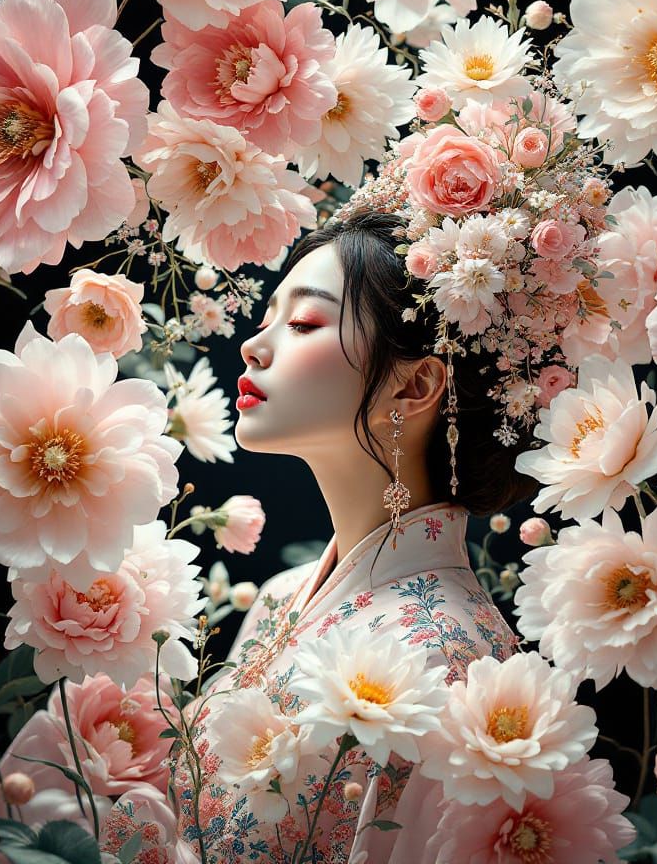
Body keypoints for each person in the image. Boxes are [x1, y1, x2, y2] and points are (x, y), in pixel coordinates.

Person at [172, 209, 538, 862]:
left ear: (416, 382)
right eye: (265, 322)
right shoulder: (282, 598)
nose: (255, 348)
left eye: (305, 323)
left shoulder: (453, 658)